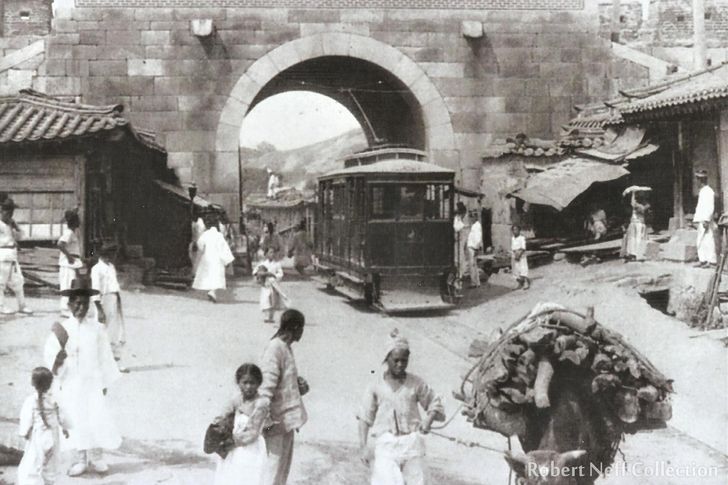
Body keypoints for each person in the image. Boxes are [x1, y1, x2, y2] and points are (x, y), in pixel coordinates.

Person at [43, 277, 121, 477]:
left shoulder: (96, 328)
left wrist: (104, 381)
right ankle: (80, 459)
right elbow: (50, 355)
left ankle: (97, 457)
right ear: (69, 304)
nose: (81, 307)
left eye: (84, 303)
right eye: (76, 303)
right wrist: (57, 361)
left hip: (92, 381)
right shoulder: (61, 329)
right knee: (76, 418)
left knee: (96, 416)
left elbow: (105, 356)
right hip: (71, 382)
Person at [358, 330, 445, 485]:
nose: (400, 364)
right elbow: (364, 418)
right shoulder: (375, 385)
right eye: (396, 360)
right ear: (387, 359)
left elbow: (434, 403)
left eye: (404, 360)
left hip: (412, 443)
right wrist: (363, 446)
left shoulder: (416, 383)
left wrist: (428, 420)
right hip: (386, 445)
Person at [255, 309, 309, 485]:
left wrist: (298, 386)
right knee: (272, 468)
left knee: (281, 470)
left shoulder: (286, 348)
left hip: (286, 421)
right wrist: (266, 421)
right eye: (301, 328)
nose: (302, 332)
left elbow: (282, 383)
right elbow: (265, 386)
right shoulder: (275, 349)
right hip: (274, 423)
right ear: (294, 327)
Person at [212, 364, 268, 485]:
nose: (248, 387)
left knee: (247, 478)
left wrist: (231, 442)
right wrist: (216, 427)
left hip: (250, 448)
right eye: (245, 382)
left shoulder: (261, 403)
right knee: (229, 476)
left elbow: (253, 432)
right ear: (239, 383)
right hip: (233, 448)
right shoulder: (236, 399)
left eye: (252, 383)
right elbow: (223, 414)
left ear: (259, 383)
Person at [17, 367, 70, 485]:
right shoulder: (55, 400)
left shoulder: (30, 401)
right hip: (53, 435)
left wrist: (24, 432)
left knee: (32, 464)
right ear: (50, 383)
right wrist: (65, 428)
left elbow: (26, 419)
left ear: (33, 383)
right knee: (51, 465)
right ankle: (50, 482)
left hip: (38, 436)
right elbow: (62, 417)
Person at [91, 244, 127, 371]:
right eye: (112, 253)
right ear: (105, 254)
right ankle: (96, 363)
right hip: (103, 300)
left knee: (114, 332)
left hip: (114, 298)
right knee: (100, 331)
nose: (114, 256)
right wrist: (99, 309)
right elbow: (95, 289)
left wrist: (117, 301)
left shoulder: (111, 267)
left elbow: (114, 285)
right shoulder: (96, 269)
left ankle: (115, 363)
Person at [0, 198, 32, 315]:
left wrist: (15, 227)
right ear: (1, 210)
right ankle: (1, 306)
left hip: (12, 256)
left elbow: (21, 236)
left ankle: (22, 305)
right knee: (1, 283)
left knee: (18, 281)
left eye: (11, 211)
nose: (9, 213)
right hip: (2, 255)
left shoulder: (10, 224)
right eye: (7, 211)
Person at [192, 214, 235, 303]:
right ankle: (213, 291)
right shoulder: (219, 236)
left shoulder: (205, 235)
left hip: (207, 258)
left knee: (208, 275)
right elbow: (224, 248)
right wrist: (227, 261)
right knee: (216, 276)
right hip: (217, 259)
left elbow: (200, 245)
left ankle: (211, 291)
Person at [57, 210, 82, 316]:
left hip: (72, 264)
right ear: (74, 221)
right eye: (77, 219)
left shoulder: (72, 233)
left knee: (72, 285)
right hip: (67, 264)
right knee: (66, 285)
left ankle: (69, 307)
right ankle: (64, 309)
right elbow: (60, 244)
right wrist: (69, 257)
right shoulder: (68, 233)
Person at [255, 248, 287, 323]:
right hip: (265, 285)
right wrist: (262, 274)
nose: (272, 254)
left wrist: (274, 276)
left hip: (273, 284)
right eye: (270, 252)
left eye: (273, 253)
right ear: (266, 254)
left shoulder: (277, 264)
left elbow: (280, 274)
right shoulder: (262, 264)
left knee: (273, 300)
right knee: (265, 300)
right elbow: (255, 272)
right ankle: (266, 316)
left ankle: (271, 317)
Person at [694, 169, 717, 268]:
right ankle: (703, 260)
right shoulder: (703, 191)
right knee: (701, 240)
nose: (697, 182)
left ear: (701, 180)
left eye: (698, 179)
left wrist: (706, 220)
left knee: (708, 240)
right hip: (701, 219)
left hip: (705, 220)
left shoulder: (708, 192)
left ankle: (711, 261)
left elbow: (710, 207)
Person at [622, 191, 650, 262]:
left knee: (637, 238)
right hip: (636, 223)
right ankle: (636, 253)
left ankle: (638, 254)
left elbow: (634, 204)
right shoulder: (644, 205)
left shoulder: (640, 206)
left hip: (639, 223)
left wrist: (633, 194)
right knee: (634, 239)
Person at [452, 202, 469, 281]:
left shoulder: (459, 218)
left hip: (461, 240)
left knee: (461, 257)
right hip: (458, 240)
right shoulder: (457, 218)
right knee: (458, 258)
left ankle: (460, 274)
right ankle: (458, 274)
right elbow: (456, 228)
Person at [466, 210, 483, 288]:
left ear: (476, 217)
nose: (471, 218)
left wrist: (476, 248)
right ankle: (476, 282)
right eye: (471, 216)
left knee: (472, 265)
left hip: (473, 247)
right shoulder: (474, 225)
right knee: (473, 265)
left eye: (473, 216)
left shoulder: (477, 225)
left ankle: (474, 282)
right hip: (471, 247)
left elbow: (478, 238)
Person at [511, 225, 530, 290]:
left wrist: (519, 254)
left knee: (523, 269)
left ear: (519, 230)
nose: (515, 231)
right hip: (515, 255)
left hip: (521, 255)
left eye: (516, 229)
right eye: (513, 230)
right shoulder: (513, 238)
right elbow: (513, 247)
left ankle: (526, 282)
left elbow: (523, 248)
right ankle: (519, 283)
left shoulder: (522, 238)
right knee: (516, 270)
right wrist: (515, 254)